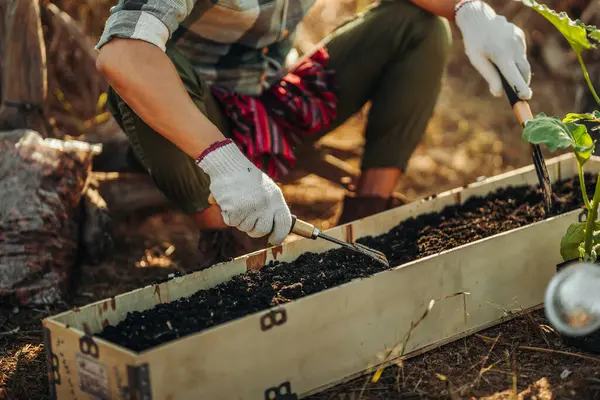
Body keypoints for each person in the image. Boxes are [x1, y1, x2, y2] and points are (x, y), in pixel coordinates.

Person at [95, 0, 532, 265]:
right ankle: (229, 241)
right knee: (133, 83)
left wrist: (469, 12)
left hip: (276, 105)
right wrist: (222, 161)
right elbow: (123, 54)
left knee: (420, 27)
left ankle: (369, 215)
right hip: (202, 119)